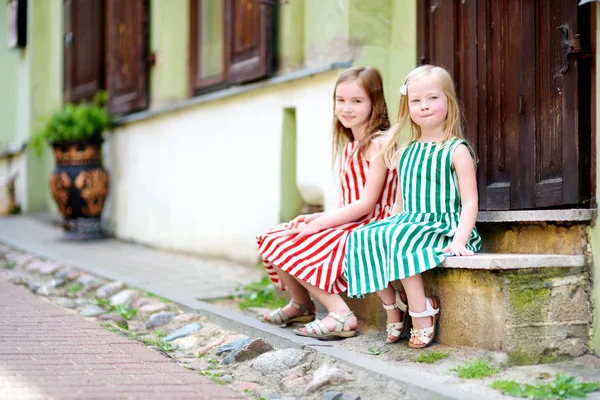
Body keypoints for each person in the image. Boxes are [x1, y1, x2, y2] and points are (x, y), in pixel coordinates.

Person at [345, 65, 481, 348]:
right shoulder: (406, 152)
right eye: (416, 100)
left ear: (448, 101)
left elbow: (470, 201)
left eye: (433, 98)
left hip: (443, 225)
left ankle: (421, 309)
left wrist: (459, 240)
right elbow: (400, 202)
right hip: (411, 220)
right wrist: (386, 228)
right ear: (407, 106)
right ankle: (392, 304)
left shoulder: (456, 149)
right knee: (362, 236)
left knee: (401, 237)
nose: (424, 106)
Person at [256, 66, 398, 338]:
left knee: (294, 242)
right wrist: (313, 218)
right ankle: (301, 305)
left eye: (357, 101)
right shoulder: (349, 147)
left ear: (375, 103)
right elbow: (347, 203)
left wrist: (319, 225)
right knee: (272, 236)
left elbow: (366, 205)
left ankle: (341, 314)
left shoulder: (379, 144)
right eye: (341, 100)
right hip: (351, 221)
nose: (347, 108)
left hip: (370, 227)